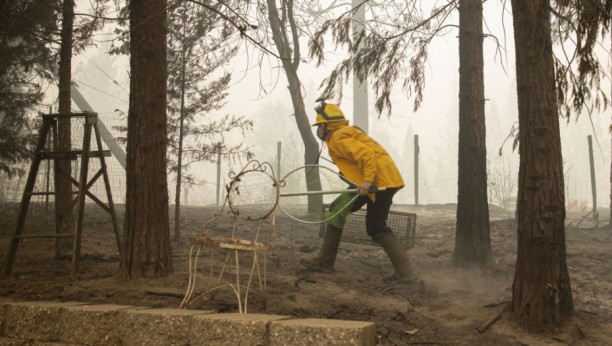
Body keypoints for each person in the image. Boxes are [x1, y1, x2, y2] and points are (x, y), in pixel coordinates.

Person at [300, 101, 418, 283]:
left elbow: (366, 155)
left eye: (320, 127)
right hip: (377, 179)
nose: (318, 131)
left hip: (378, 181)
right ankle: (324, 263)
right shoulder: (341, 135)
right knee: (338, 209)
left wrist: (367, 180)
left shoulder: (338, 136)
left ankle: (407, 272)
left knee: (376, 226)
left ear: (326, 125)